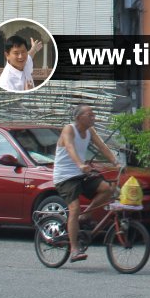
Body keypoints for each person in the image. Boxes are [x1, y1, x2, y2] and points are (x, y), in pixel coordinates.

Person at [53, 104, 117, 262]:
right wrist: (80, 164)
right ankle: (74, 249)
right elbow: (69, 147)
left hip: (81, 174)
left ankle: (85, 216)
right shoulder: (69, 129)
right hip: (65, 176)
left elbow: (102, 146)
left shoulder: (90, 131)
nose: (93, 117)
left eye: (93, 115)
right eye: (90, 115)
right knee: (74, 208)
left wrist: (116, 162)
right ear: (78, 117)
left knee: (107, 189)